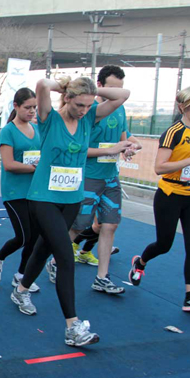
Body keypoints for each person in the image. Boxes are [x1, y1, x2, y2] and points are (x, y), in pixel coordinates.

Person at [10, 76, 129, 346]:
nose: (84, 110)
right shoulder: (49, 117)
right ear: (67, 98)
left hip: (72, 198)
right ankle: (73, 327)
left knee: (44, 247)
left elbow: (123, 94)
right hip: (44, 198)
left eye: (88, 105)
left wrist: (92, 90)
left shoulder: (88, 118)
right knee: (65, 257)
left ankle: (21, 289)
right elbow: (41, 85)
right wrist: (65, 85)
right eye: (79, 104)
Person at [129, 86, 190, 312]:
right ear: (183, 107)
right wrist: (189, 160)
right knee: (164, 244)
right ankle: (140, 262)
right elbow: (159, 168)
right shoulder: (173, 132)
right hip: (169, 195)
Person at [69, 65, 142, 294]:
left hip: (111, 178)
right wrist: (111, 149)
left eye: (119, 89)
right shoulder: (88, 113)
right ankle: (54, 260)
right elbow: (79, 149)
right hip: (89, 177)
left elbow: (124, 137)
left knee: (109, 226)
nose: (117, 94)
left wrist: (129, 147)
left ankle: (102, 278)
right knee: (78, 226)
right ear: (99, 86)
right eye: (112, 88)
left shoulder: (120, 111)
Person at [0, 88, 41, 292]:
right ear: (16, 106)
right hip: (14, 192)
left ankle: (21, 275)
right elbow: (8, 164)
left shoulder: (37, 129)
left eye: (34, 108)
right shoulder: (8, 131)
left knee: (34, 237)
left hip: (35, 191)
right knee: (24, 236)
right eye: (27, 107)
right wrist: (36, 168)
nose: (32, 111)